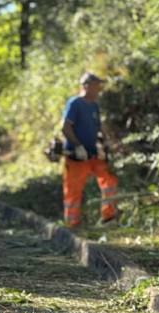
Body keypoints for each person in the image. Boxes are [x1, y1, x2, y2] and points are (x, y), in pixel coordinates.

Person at [61, 72, 119, 228]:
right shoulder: (75, 103)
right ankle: (72, 225)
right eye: (96, 86)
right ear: (86, 86)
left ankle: (109, 217)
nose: (99, 89)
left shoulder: (94, 105)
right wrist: (78, 146)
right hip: (76, 156)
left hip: (93, 153)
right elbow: (66, 128)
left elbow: (98, 127)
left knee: (109, 180)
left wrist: (107, 143)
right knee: (73, 190)